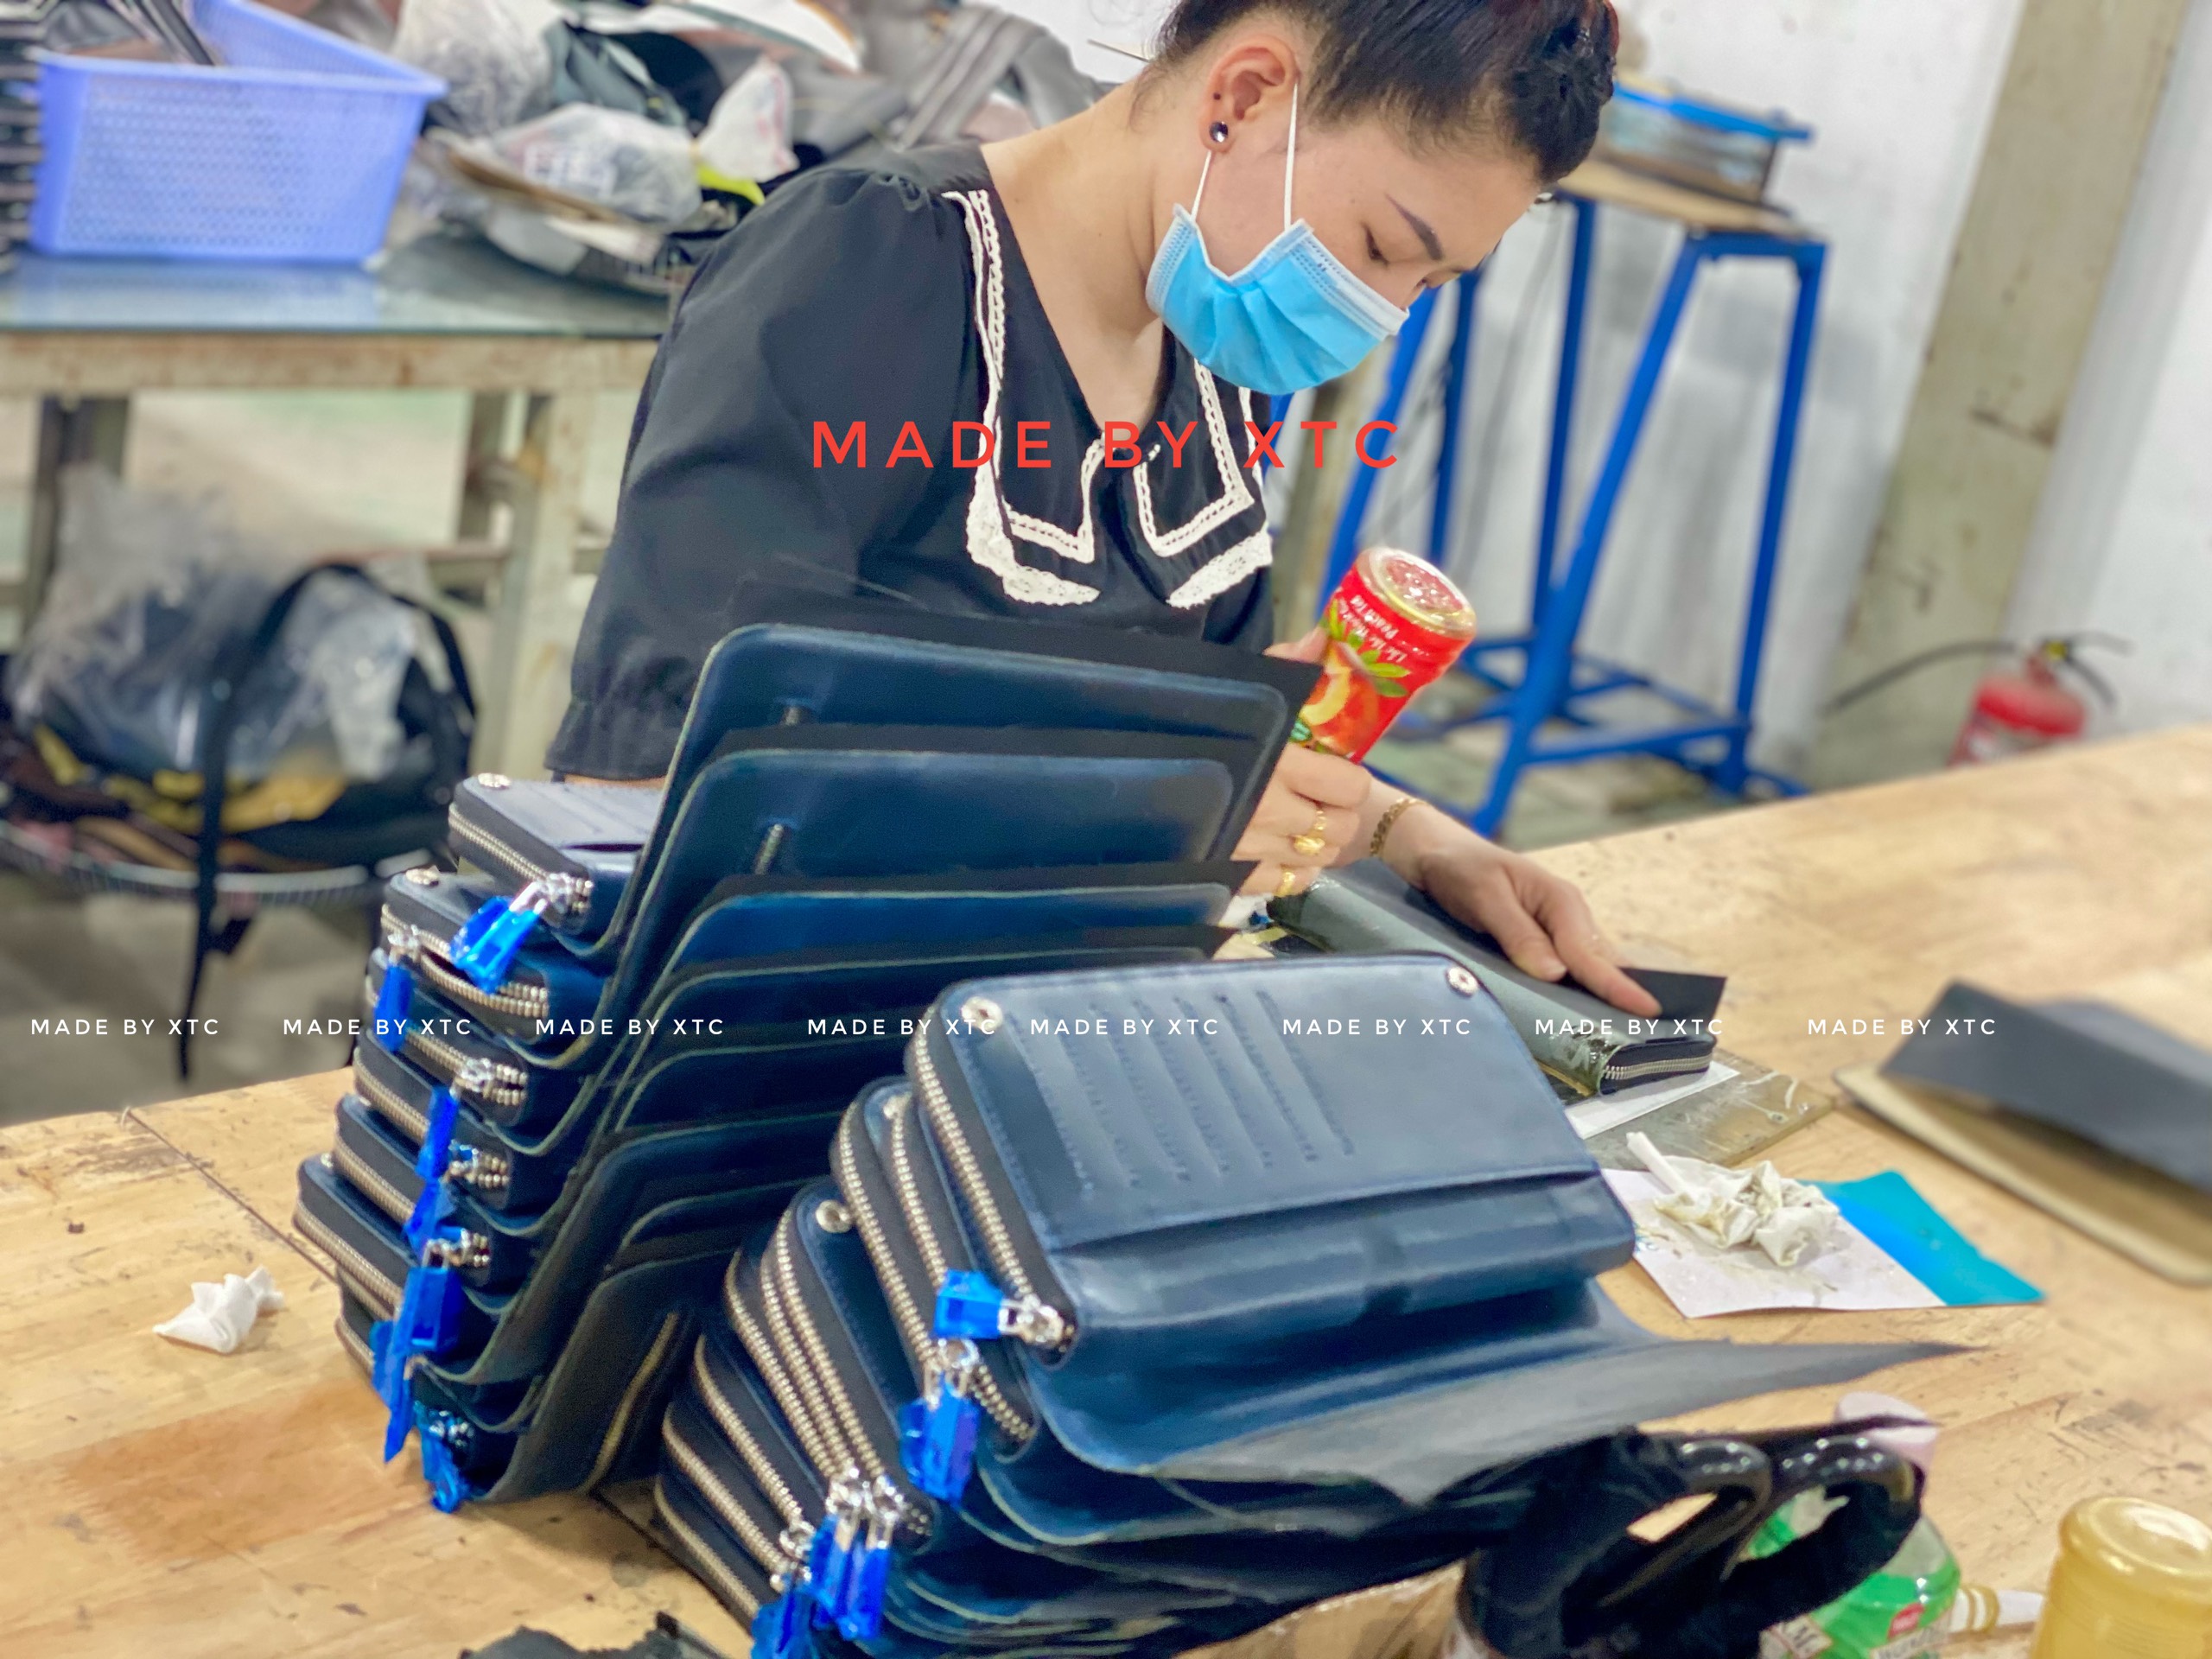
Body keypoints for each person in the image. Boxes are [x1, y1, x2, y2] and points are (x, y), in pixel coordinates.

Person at [550, 0, 1658, 1016]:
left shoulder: (1210, 343)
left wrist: (1406, 837)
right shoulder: (866, 267)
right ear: (1243, 95)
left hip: (1057, 1022)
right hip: (789, 1044)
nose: (1381, 315)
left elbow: (1200, 747)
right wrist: (1143, 821)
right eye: (1382, 250)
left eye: (1430, 284)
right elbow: (637, 789)